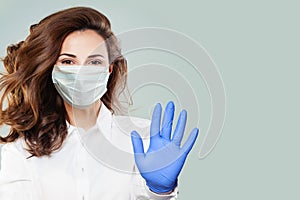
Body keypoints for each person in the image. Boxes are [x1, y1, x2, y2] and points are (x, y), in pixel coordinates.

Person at [0, 7, 199, 200]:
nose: (81, 72)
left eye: (94, 62)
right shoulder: (22, 149)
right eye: (68, 62)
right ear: (51, 69)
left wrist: (160, 192)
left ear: (109, 69)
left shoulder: (143, 138)